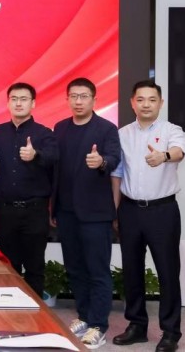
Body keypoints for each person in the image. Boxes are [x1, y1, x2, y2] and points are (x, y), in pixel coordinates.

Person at [110, 80, 185, 352]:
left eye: (152, 100)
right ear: (132, 103)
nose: (146, 105)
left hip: (162, 211)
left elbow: (179, 152)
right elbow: (117, 175)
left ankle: (170, 332)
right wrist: (115, 210)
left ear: (160, 103)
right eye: (140, 99)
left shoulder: (171, 130)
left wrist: (163, 156)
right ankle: (137, 325)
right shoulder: (122, 134)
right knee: (132, 271)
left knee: (167, 271)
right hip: (130, 210)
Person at [52, 77, 121, 349]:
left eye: (84, 96)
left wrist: (101, 161)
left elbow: (114, 159)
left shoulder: (106, 129)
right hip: (66, 211)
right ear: (67, 99)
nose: (78, 101)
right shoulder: (60, 128)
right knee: (75, 268)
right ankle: (83, 315)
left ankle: (98, 325)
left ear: (94, 99)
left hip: (95, 213)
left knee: (97, 270)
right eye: (74, 96)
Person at [0, 82, 57, 298]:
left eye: (24, 99)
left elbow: (54, 158)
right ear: (8, 103)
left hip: (34, 210)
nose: (18, 103)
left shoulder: (44, 133)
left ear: (33, 103)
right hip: (4, 210)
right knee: (8, 266)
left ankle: (36, 313)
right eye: (14, 99)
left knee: (35, 267)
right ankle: (10, 310)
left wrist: (35, 155)